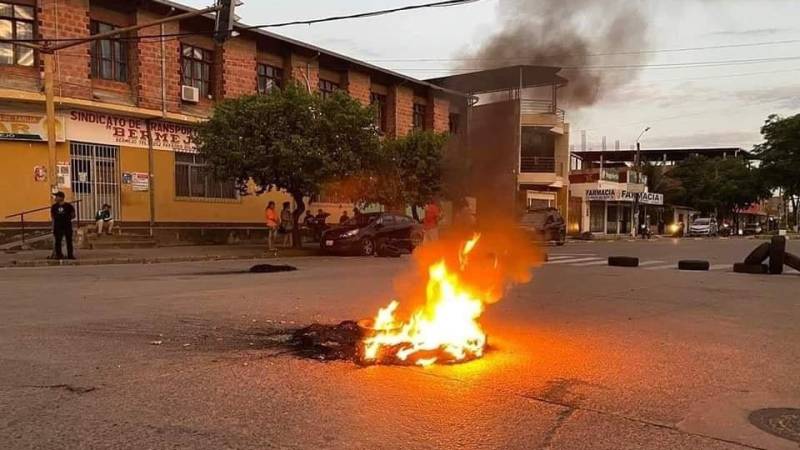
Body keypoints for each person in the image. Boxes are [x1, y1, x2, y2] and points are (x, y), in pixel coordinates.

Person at [50, 192, 75, 260]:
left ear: (61, 197)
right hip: (58, 226)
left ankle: (70, 255)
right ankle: (59, 255)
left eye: (57, 197)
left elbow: (73, 215)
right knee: (58, 241)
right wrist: (53, 227)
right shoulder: (54, 206)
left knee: (69, 241)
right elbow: (52, 217)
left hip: (67, 226)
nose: (55, 198)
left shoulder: (68, 206)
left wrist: (66, 218)